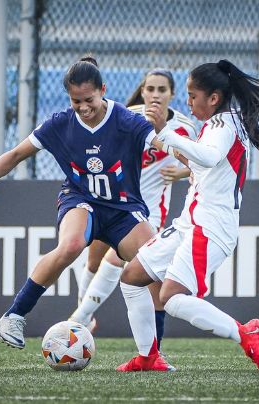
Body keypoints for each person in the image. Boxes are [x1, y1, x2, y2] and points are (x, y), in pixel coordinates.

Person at [0, 56, 173, 370]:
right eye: (76, 101)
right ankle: (14, 315)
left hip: (123, 209)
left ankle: (152, 356)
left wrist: (163, 133)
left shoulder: (126, 120)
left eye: (89, 99)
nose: (83, 107)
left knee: (156, 268)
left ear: (103, 90)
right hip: (80, 199)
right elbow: (17, 154)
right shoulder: (60, 123)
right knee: (72, 244)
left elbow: (162, 145)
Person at [114, 60, 259, 372]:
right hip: (189, 224)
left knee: (171, 297)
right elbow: (202, 163)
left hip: (209, 228)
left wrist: (163, 130)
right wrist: (168, 145)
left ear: (214, 98)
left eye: (193, 96)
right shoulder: (216, 125)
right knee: (132, 277)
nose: (188, 102)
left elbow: (207, 156)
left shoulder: (224, 125)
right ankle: (148, 357)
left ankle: (244, 332)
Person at [70, 68, 196, 352]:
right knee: (93, 260)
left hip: (149, 212)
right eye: (150, 89)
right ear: (143, 91)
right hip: (113, 199)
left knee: (118, 260)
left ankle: (78, 320)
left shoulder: (186, 127)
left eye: (161, 90)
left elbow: (201, 163)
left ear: (171, 94)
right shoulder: (127, 115)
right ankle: (85, 314)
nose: (154, 95)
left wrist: (179, 173)